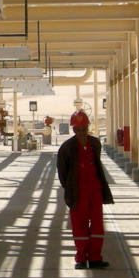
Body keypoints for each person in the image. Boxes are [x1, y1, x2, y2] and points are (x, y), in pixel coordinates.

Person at [56, 110, 113, 269]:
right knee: (79, 224)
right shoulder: (67, 148)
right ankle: (81, 258)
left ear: (88, 128)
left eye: (84, 129)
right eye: (78, 130)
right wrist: (70, 189)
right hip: (78, 192)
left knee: (97, 224)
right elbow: (62, 172)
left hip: (94, 190)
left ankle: (95, 258)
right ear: (73, 130)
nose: (81, 133)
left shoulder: (95, 144)